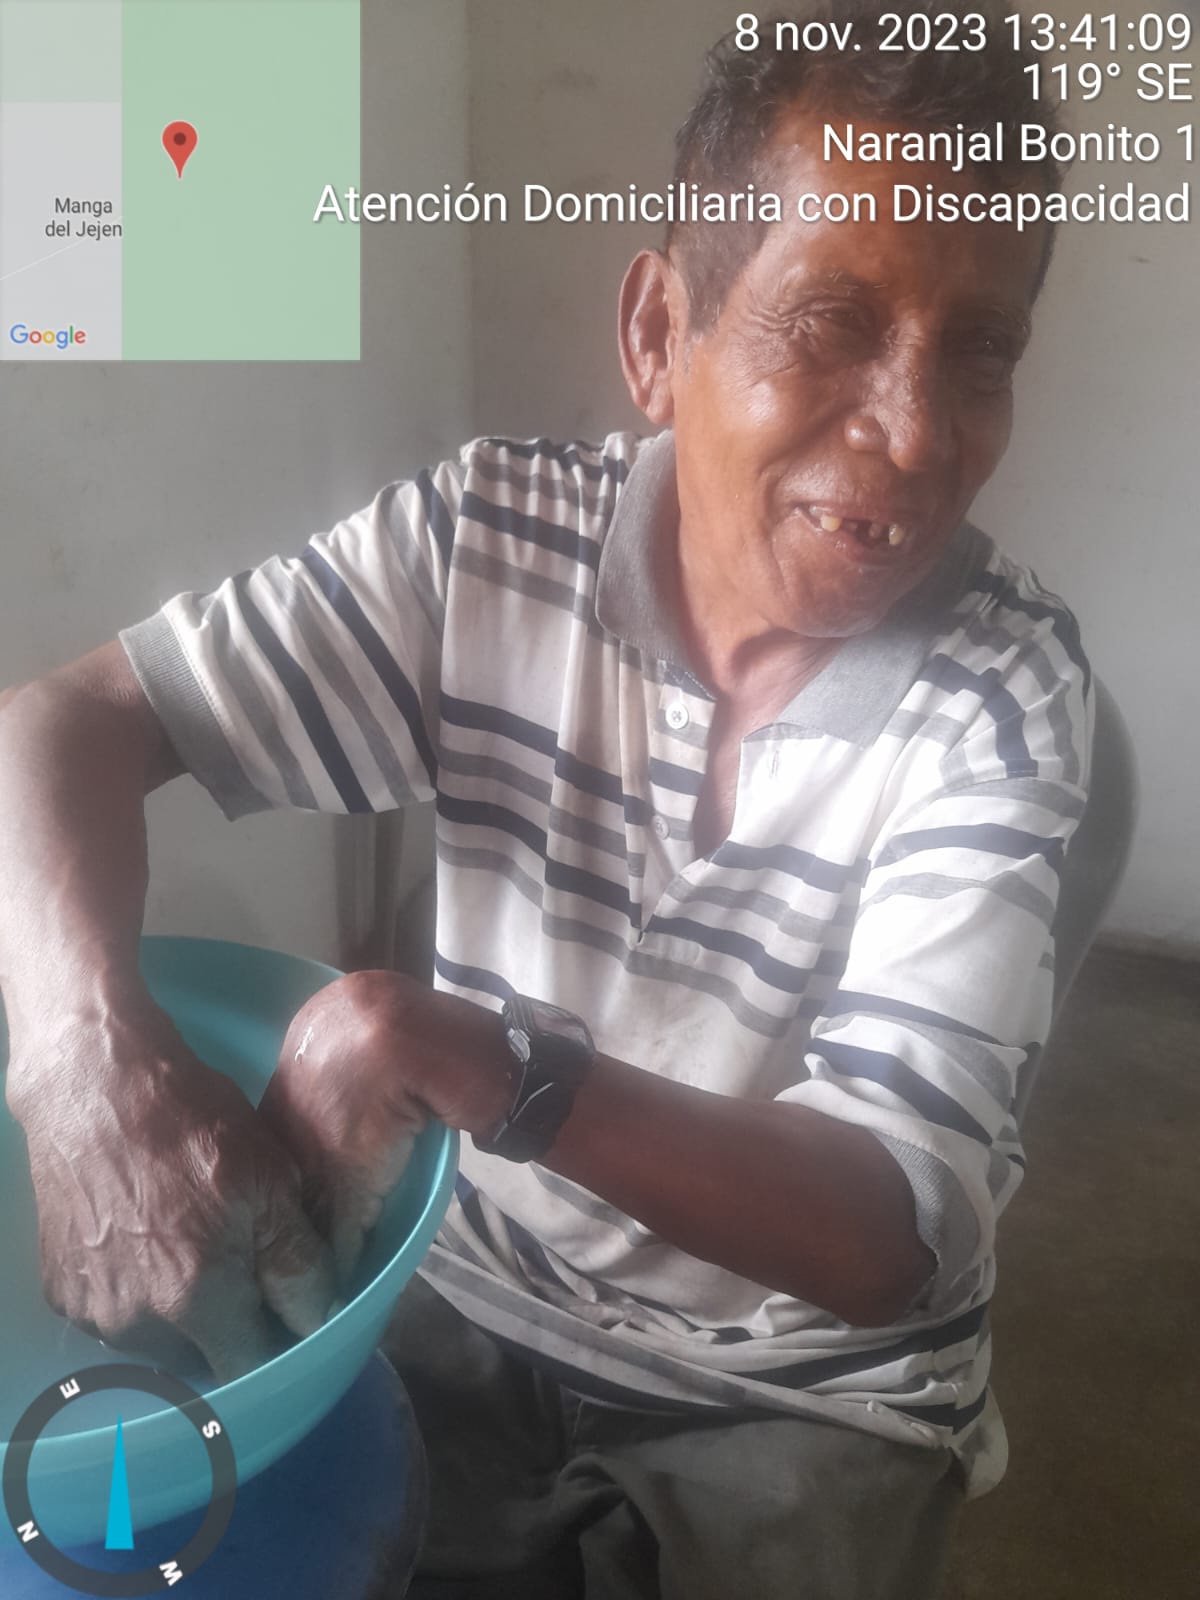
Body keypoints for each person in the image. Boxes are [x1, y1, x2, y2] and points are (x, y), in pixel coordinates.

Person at [0, 5, 1092, 1596]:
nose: (919, 433)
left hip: (800, 1396)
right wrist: (76, 1066)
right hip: (470, 1294)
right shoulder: (484, 545)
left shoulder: (1002, 689)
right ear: (659, 334)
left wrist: (479, 1060)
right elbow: (64, 723)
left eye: (978, 351)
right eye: (833, 322)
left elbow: (894, 1233)